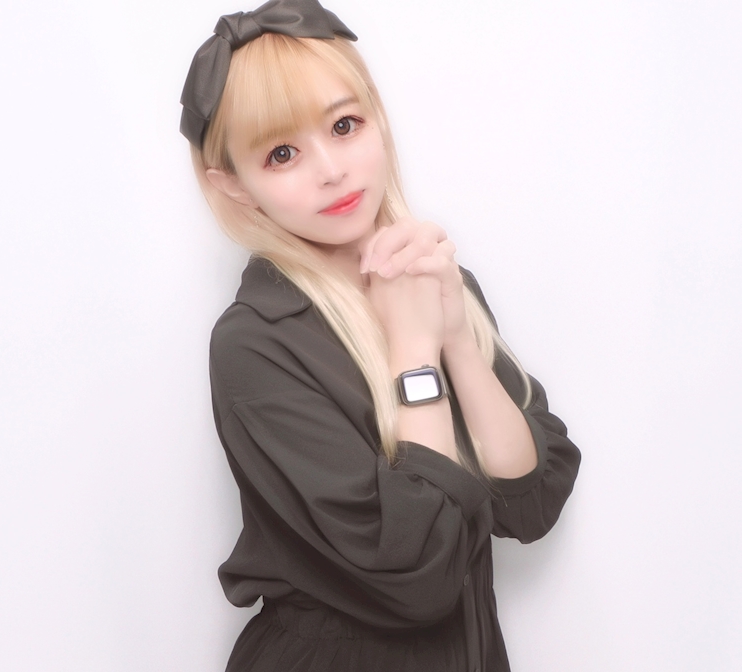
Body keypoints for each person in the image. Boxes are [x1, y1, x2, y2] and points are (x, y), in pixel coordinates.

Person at [179, 1, 581, 670]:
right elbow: (418, 575)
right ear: (236, 186)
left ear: (379, 118)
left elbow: (531, 503)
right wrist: (415, 352)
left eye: (345, 125)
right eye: (281, 153)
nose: (330, 169)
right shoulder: (253, 344)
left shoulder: (436, 282)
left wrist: (456, 338)